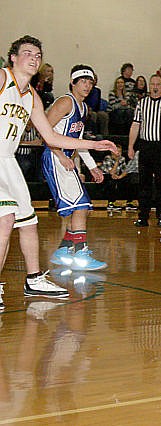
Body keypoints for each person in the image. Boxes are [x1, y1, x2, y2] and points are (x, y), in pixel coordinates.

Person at [0, 36, 116, 308]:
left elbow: (51, 137)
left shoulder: (31, 97)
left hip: (7, 161)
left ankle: (34, 278)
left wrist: (93, 144)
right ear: (13, 58)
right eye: (27, 53)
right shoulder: (3, 79)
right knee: (5, 219)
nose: (34, 58)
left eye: (38, 55)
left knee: (27, 222)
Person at [43, 64, 109, 271]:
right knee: (81, 205)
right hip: (55, 157)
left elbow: (78, 143)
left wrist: (92, 167)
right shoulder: (65, 102)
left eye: (90, 82)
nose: (87, 86)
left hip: (67, 158)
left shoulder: (84, 108)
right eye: (83, 81)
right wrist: (60, 154)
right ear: (73, 82)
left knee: (81, 208)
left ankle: (64, 250)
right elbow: (44, 131)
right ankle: (80, 253)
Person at [128, 73, 161, 227]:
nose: (155, 87)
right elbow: (135, 125)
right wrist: (131, 146)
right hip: (146, 146)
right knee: (144, 183)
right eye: (152, 84)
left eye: (158, 84)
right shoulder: (142, 103)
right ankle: (143, 216)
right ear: (149, 86)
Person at [100, 143, 130, 210]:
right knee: (111, 182)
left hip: (116, 177)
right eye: (117, 151)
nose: (118, 153)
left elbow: (125, 170)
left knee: (129, 180)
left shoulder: (122, 159)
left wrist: (120, 177)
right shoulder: (107, 158)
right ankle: (110, 203)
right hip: (106, 178)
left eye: (120, 152)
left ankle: (129, 202)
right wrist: (116, 162)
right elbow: (111, 172)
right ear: (112, 151)